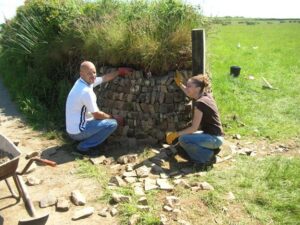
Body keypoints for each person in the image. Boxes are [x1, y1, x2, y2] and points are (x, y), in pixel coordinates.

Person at [66, 61, 132, 156]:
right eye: (89, 73)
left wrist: (119, 72)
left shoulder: (82, 82)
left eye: (94, 72)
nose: (93, 75)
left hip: (73, 129)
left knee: (101, 121)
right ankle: (83, 147)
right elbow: (97, 115)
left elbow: (104, 78)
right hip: (77, 132)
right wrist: (114, 117)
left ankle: (82, 139)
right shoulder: (86, 92)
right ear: (81, 74)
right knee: (112, 124)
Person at [165, 72, 224, 169]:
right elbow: (189, 93)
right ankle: (209, 151)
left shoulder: (200, 103)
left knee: (183, 139)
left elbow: (194, 127)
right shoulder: (205, 95)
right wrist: (180, 84)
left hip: (214, 139)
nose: (187, 88)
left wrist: (176, 134)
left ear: (197, 88)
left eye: (189, 86)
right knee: (185, 136)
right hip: (214, 136)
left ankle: (207, 157)